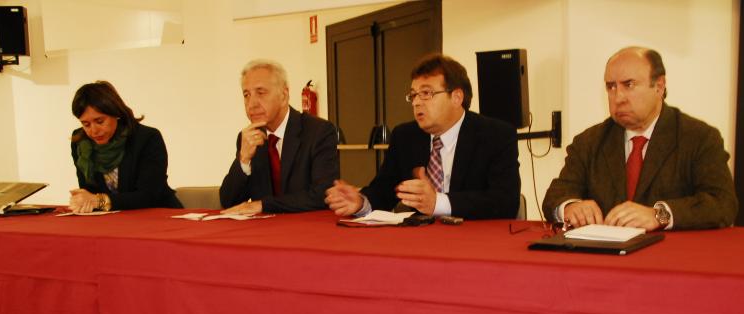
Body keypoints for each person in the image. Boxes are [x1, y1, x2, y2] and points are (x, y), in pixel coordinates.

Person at [542, 47, 738, 231]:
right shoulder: (589, 142)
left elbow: (722, 203)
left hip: (670, 258)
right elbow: (555, 196)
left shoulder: (698, 138)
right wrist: (570, 206)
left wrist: (659, 215)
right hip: (605, 260)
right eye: (611, 87)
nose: (618, 97)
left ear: (659, 87)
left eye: (629, 85)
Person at [325, 54, 520, 220]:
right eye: (413, 95)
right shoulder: (405, 136)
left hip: (476, 245)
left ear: (456, 97)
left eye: (426, 93)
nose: (417, 102)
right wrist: (360, 202)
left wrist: (438, 203)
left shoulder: (496, 135)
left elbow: (505, 202)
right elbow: (384, 191)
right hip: (419, 245)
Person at [220, 59, 339, 214]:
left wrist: (262, 205)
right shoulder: (249, 138)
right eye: (246, 95)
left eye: (261, 93)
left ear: (284, 95)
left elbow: (322, 195)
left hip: (306, 232)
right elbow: (228, 201)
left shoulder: (318, 132)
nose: (251, 104)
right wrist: (243, 160)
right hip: (262, 234)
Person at [69, 81, 181, 212]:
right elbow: (89, 192)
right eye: (86, 124)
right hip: (112, 220)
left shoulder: (147, 138)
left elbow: (148, 195)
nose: (93, 131)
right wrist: (83, 200)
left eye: (100, 121)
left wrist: (100, 201)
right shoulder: (81, 142)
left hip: (158, 216)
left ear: (116, 113)